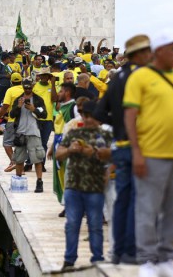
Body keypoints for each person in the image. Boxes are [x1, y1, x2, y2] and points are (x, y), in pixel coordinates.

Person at [124, 28, 173, 277]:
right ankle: (147, 260)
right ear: (159, 52)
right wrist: (137, 152)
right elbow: (130, 116)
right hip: (152, 153)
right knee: (148, 208)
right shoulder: (140, 78)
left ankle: (165, 257)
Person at [94, 34, 152, 265]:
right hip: (140, 145)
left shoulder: (117, 78)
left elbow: (99, 113)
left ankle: (118, 251)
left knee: (123, 199)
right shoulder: (143, 77)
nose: (150, 55)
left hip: (120, 144)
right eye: (147, 51)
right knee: (138, 200)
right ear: (139, 54)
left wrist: (117, 123)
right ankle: (131, 250)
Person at [56, 100, 111, 270]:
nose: (87, 120)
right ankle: (69, 258)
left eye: (90, 116)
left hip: (94, 187)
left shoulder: (106, 135)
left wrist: (94, 153)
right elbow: (58, 155)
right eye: (85, 116)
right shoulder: (74, 133)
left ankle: (97, 257)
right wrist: (69, 150)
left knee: (95, 225)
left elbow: (113, 156)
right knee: (72, 224)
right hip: (74, 186)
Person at [10, 78, 47, 193]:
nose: (27, 89)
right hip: (20, 132)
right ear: (22, 86)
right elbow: (11, 114)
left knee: (37, 158)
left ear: (32, 87)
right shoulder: (18, 99)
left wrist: (33, 109)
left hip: (33, 132)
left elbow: (44, 115)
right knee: (19, 159)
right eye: (25, 87)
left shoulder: (38, 100)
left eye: (29, 87)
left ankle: (39, 182)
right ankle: (18, 181)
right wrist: (18, 106)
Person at [0, 72, 24, 172]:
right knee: (20, 144)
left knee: (7, 143)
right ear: (21, 80)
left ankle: (14, 163)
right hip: (25, 121)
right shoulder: (25, 90)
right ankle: (20, 166)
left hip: (13, 120)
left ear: (11, 81)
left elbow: (5, 106)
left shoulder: (10, 90)